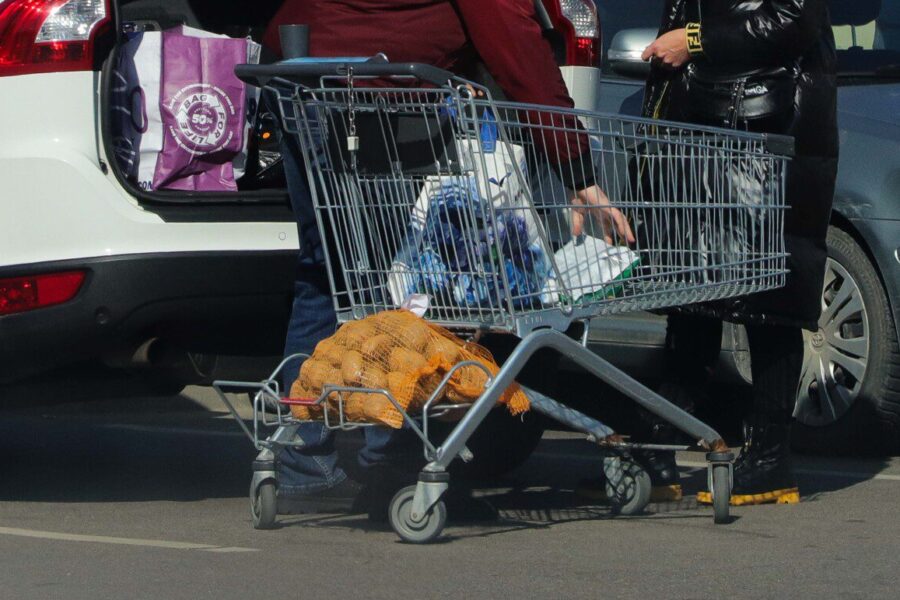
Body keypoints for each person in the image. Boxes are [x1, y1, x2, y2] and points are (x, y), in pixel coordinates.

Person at [265, 0, 633, 514]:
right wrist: (576, 168)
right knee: (391, 284)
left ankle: (303, 458)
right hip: (376, 101)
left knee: (330, 273)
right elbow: (514, 45)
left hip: (301, 81)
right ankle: (389, 468)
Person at [638, 0, 838, 505]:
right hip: (709, 119)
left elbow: (794, 17)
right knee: (693, 293)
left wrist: (695, 40)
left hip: (764, 123)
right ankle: (657, 449)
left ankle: (770, 457)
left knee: (770, 296)